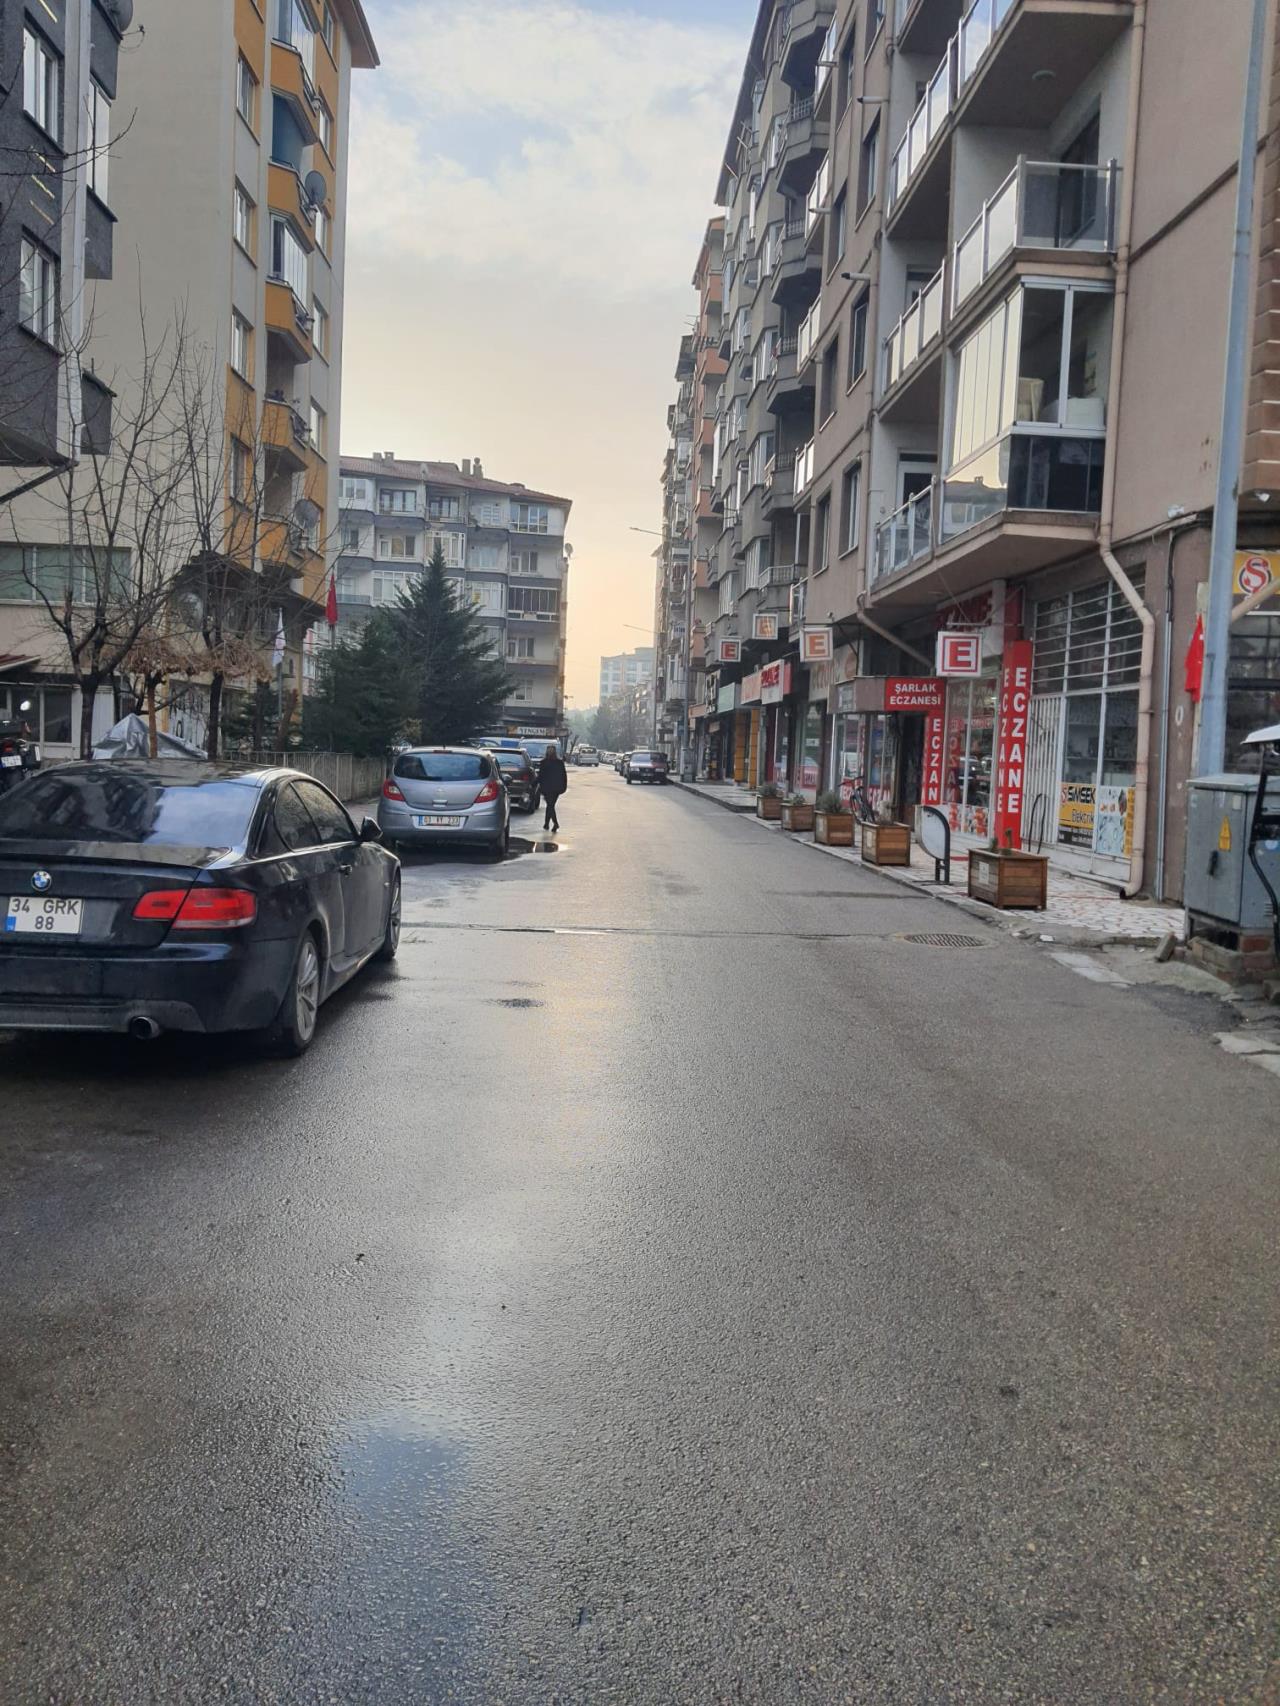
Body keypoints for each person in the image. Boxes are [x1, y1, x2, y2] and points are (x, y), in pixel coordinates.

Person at [538, 746, 568, 833]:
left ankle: (555, 823)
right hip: (557, 788)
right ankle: (546, 824)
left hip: (547, 788)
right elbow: (564, 776)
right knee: (550, 805)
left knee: (550, 805)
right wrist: (564, 786)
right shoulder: (559, 762)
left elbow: (540, 776)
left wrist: (533, 784)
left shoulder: (544, 762)